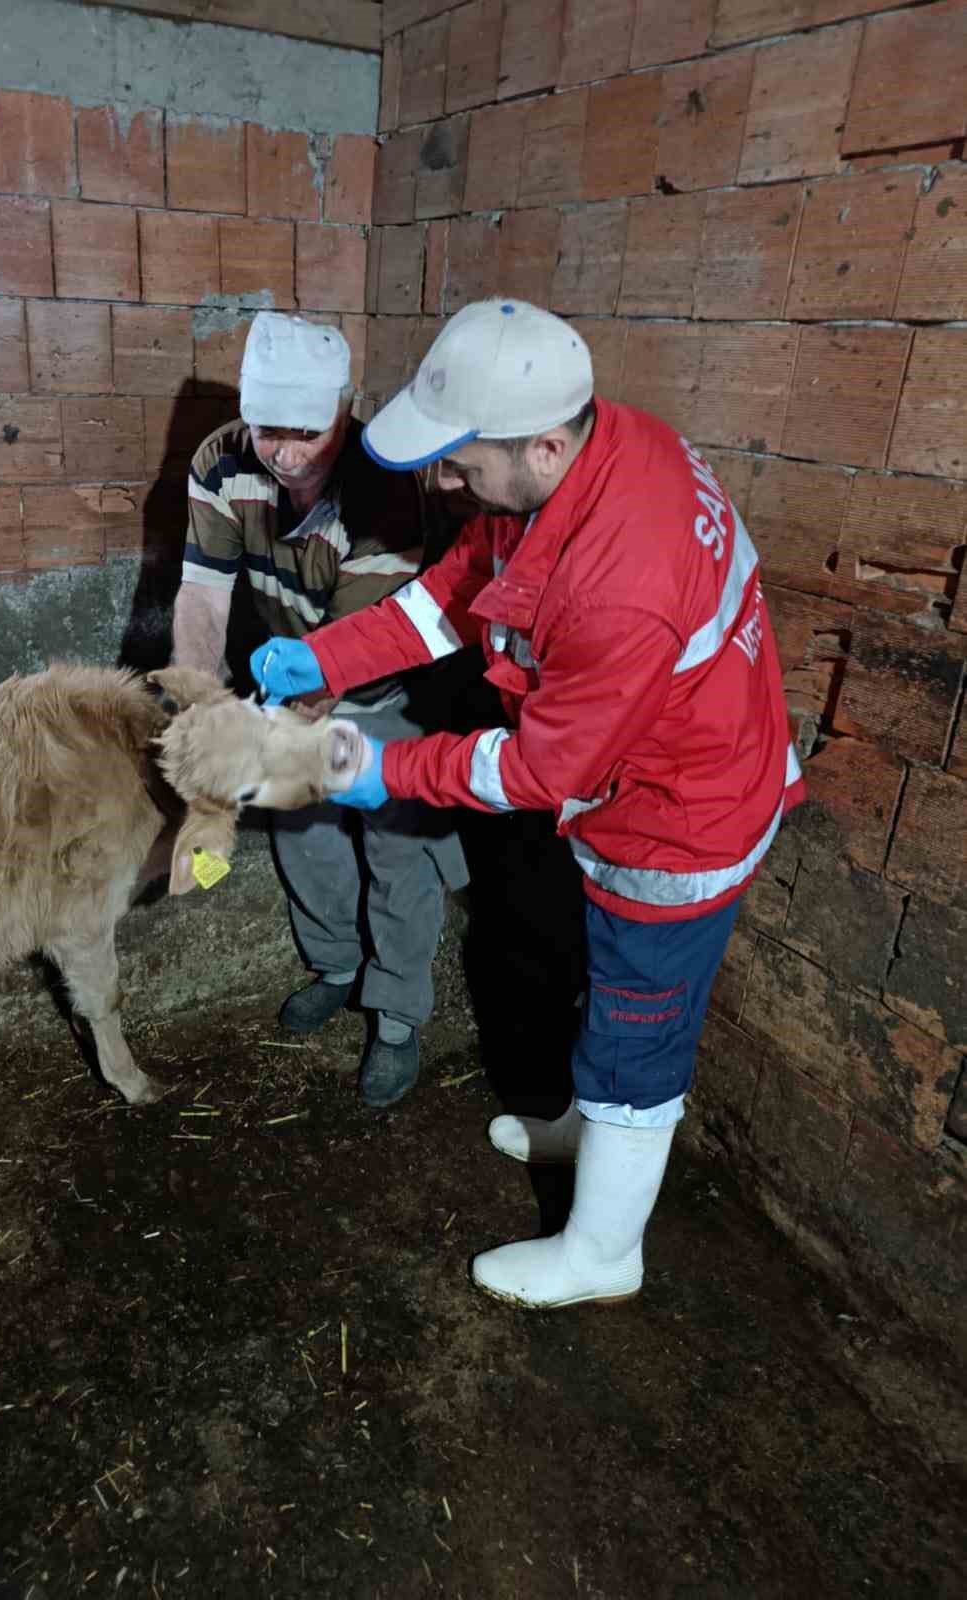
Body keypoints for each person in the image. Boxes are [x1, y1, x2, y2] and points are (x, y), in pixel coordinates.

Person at [249, 299, 803, 1310]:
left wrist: (383, 773)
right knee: (600, 979)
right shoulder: (591, 455)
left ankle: (602, 1250)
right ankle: (581, 1127)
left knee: (638, 1019)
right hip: (636, 766)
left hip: (676, 814)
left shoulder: (621, 577)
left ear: (543, 445)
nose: (440, 483)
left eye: (459, 462)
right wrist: (326, 654)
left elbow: (534, 772)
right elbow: (448, 595)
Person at [169, 311, 467, 1109]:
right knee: (300, 824)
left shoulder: (383, 485)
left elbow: (350, 651)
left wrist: (248, 747)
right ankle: (336, 963)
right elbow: (202, 595)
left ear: (345, 409)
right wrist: (197, 708)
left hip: (376, 679)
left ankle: (399, 1011)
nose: (290, 453)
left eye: (311, 431)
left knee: (395, 841)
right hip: (286, 668)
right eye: (271, 431)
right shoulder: (222, 461)